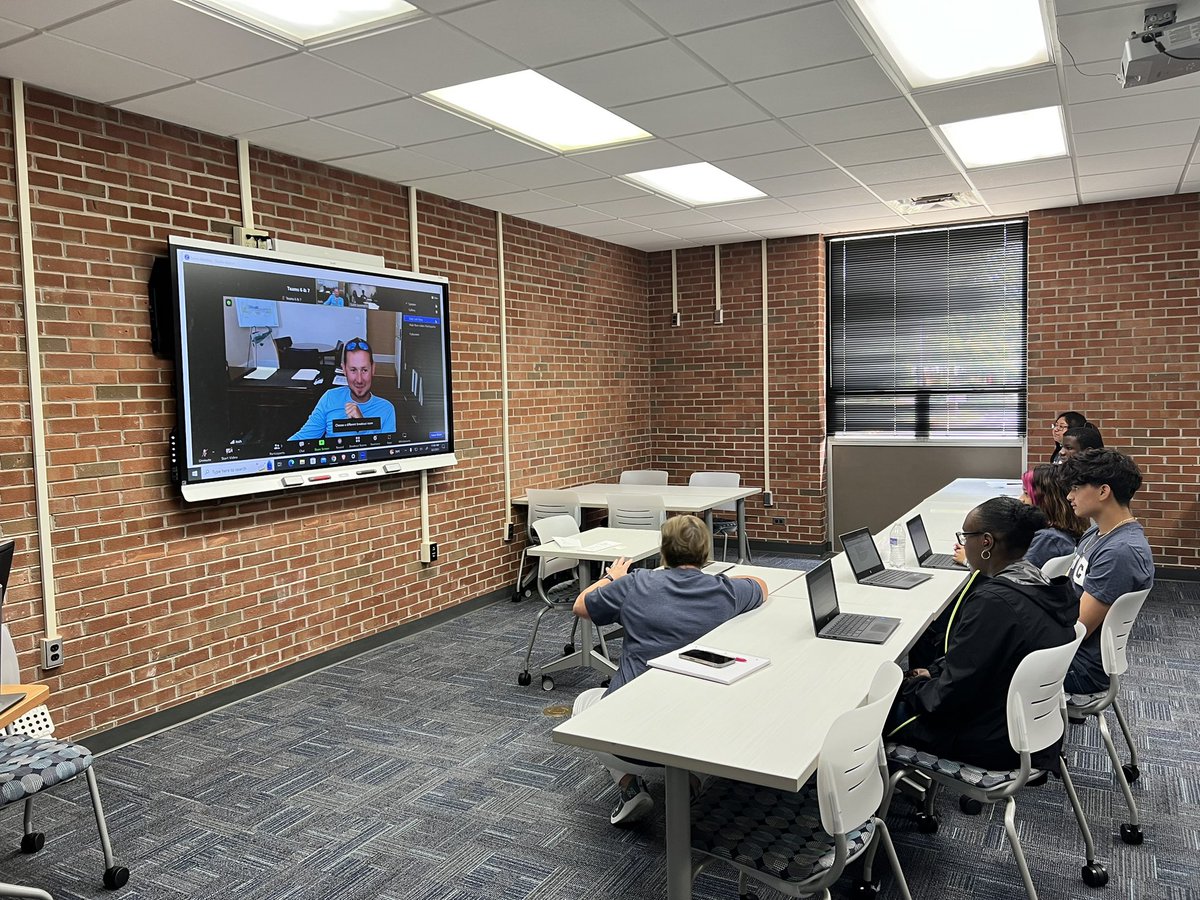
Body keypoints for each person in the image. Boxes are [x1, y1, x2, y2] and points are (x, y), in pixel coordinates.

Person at [570, 515, 768, 825]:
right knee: (727, 716)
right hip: (698, 735)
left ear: (663, 551)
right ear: (705, 553)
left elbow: (581, 605)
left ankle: (630, 786)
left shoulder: (635, 584)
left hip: (628, 735)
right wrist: (730, 580)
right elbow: (762, 587)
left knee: (584, 703)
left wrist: (613, 577)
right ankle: (691, 781)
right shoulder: (724, 592)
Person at [887, 497, 1078, 770]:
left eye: (966, 537)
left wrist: (911, 685)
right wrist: (935, 672)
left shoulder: (993, 603)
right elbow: (978, 660)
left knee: (875, 711)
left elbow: (945, 700)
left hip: (987, 741)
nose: (964, 544)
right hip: (1023, 729)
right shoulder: (1039, 583)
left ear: (986, 542)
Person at [1060, 449, 1154, 694]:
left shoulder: (1120, 552)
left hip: (1081, 666)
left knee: (991, 659)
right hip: (1071, 649)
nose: (1069, 496)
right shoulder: (1097, 531)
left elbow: (1077, 630)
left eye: (1076, 488)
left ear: (1103, 491)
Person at [289, 338, 396, 440]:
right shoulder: (330, 398)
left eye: (364, 370)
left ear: (373, 369)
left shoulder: (386, 409)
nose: (359, 379)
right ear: (344, 370)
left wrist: (362, 424)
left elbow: (385, 450)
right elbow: (302, 438)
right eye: (353, 370)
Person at [1021, 465, 1089, 567]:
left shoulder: (1047, 539)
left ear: (1047, 500)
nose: (1021, 499)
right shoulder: (1065, 535)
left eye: (1026, 493)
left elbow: (1017, 574)